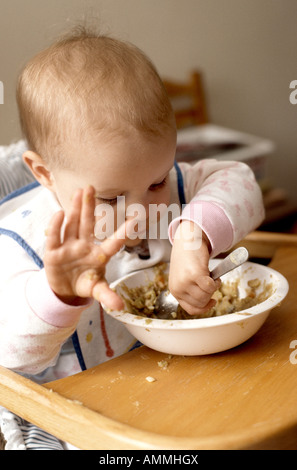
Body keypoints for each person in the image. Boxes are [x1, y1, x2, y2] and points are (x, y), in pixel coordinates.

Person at [0, 27, 264, 449]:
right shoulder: (24, 241)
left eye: (158, 182)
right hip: (74, 416)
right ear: (45, 174)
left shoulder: (168, 184)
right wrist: (57, 294)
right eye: (110, 198)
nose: (142, 211)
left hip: (179, 384)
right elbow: (12, 358)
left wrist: (195, 234)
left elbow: (242, 181)